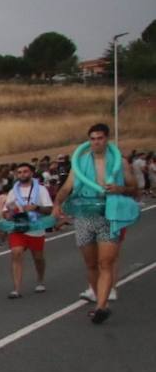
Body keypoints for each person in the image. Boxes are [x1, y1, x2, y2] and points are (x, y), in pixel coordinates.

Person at [53, 123, 138, 323]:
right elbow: (67, 187)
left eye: (99, 138)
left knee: (105, 262)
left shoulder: (120, 162)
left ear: (106, 139)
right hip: (85, 215)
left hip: (109, 214)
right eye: (92, 138)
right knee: (91, 263)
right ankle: (98, 295)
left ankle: (102, 306)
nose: (96, 142)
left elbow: (134, 188)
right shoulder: (81, 162)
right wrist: (57, 203)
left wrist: (120, 188)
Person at [2, 161, 52, 299]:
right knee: (16, 253)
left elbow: (49, 210)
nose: (22, 174)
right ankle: (16, 289)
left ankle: (40, 280)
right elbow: (6, 212)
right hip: (18, 227)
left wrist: (36, 208)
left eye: (25, 171)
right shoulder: (13, 191)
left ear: (31, 173)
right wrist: (9, 213)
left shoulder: (41, 190)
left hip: (35, 228)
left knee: (38, 257)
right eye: (19, 172)